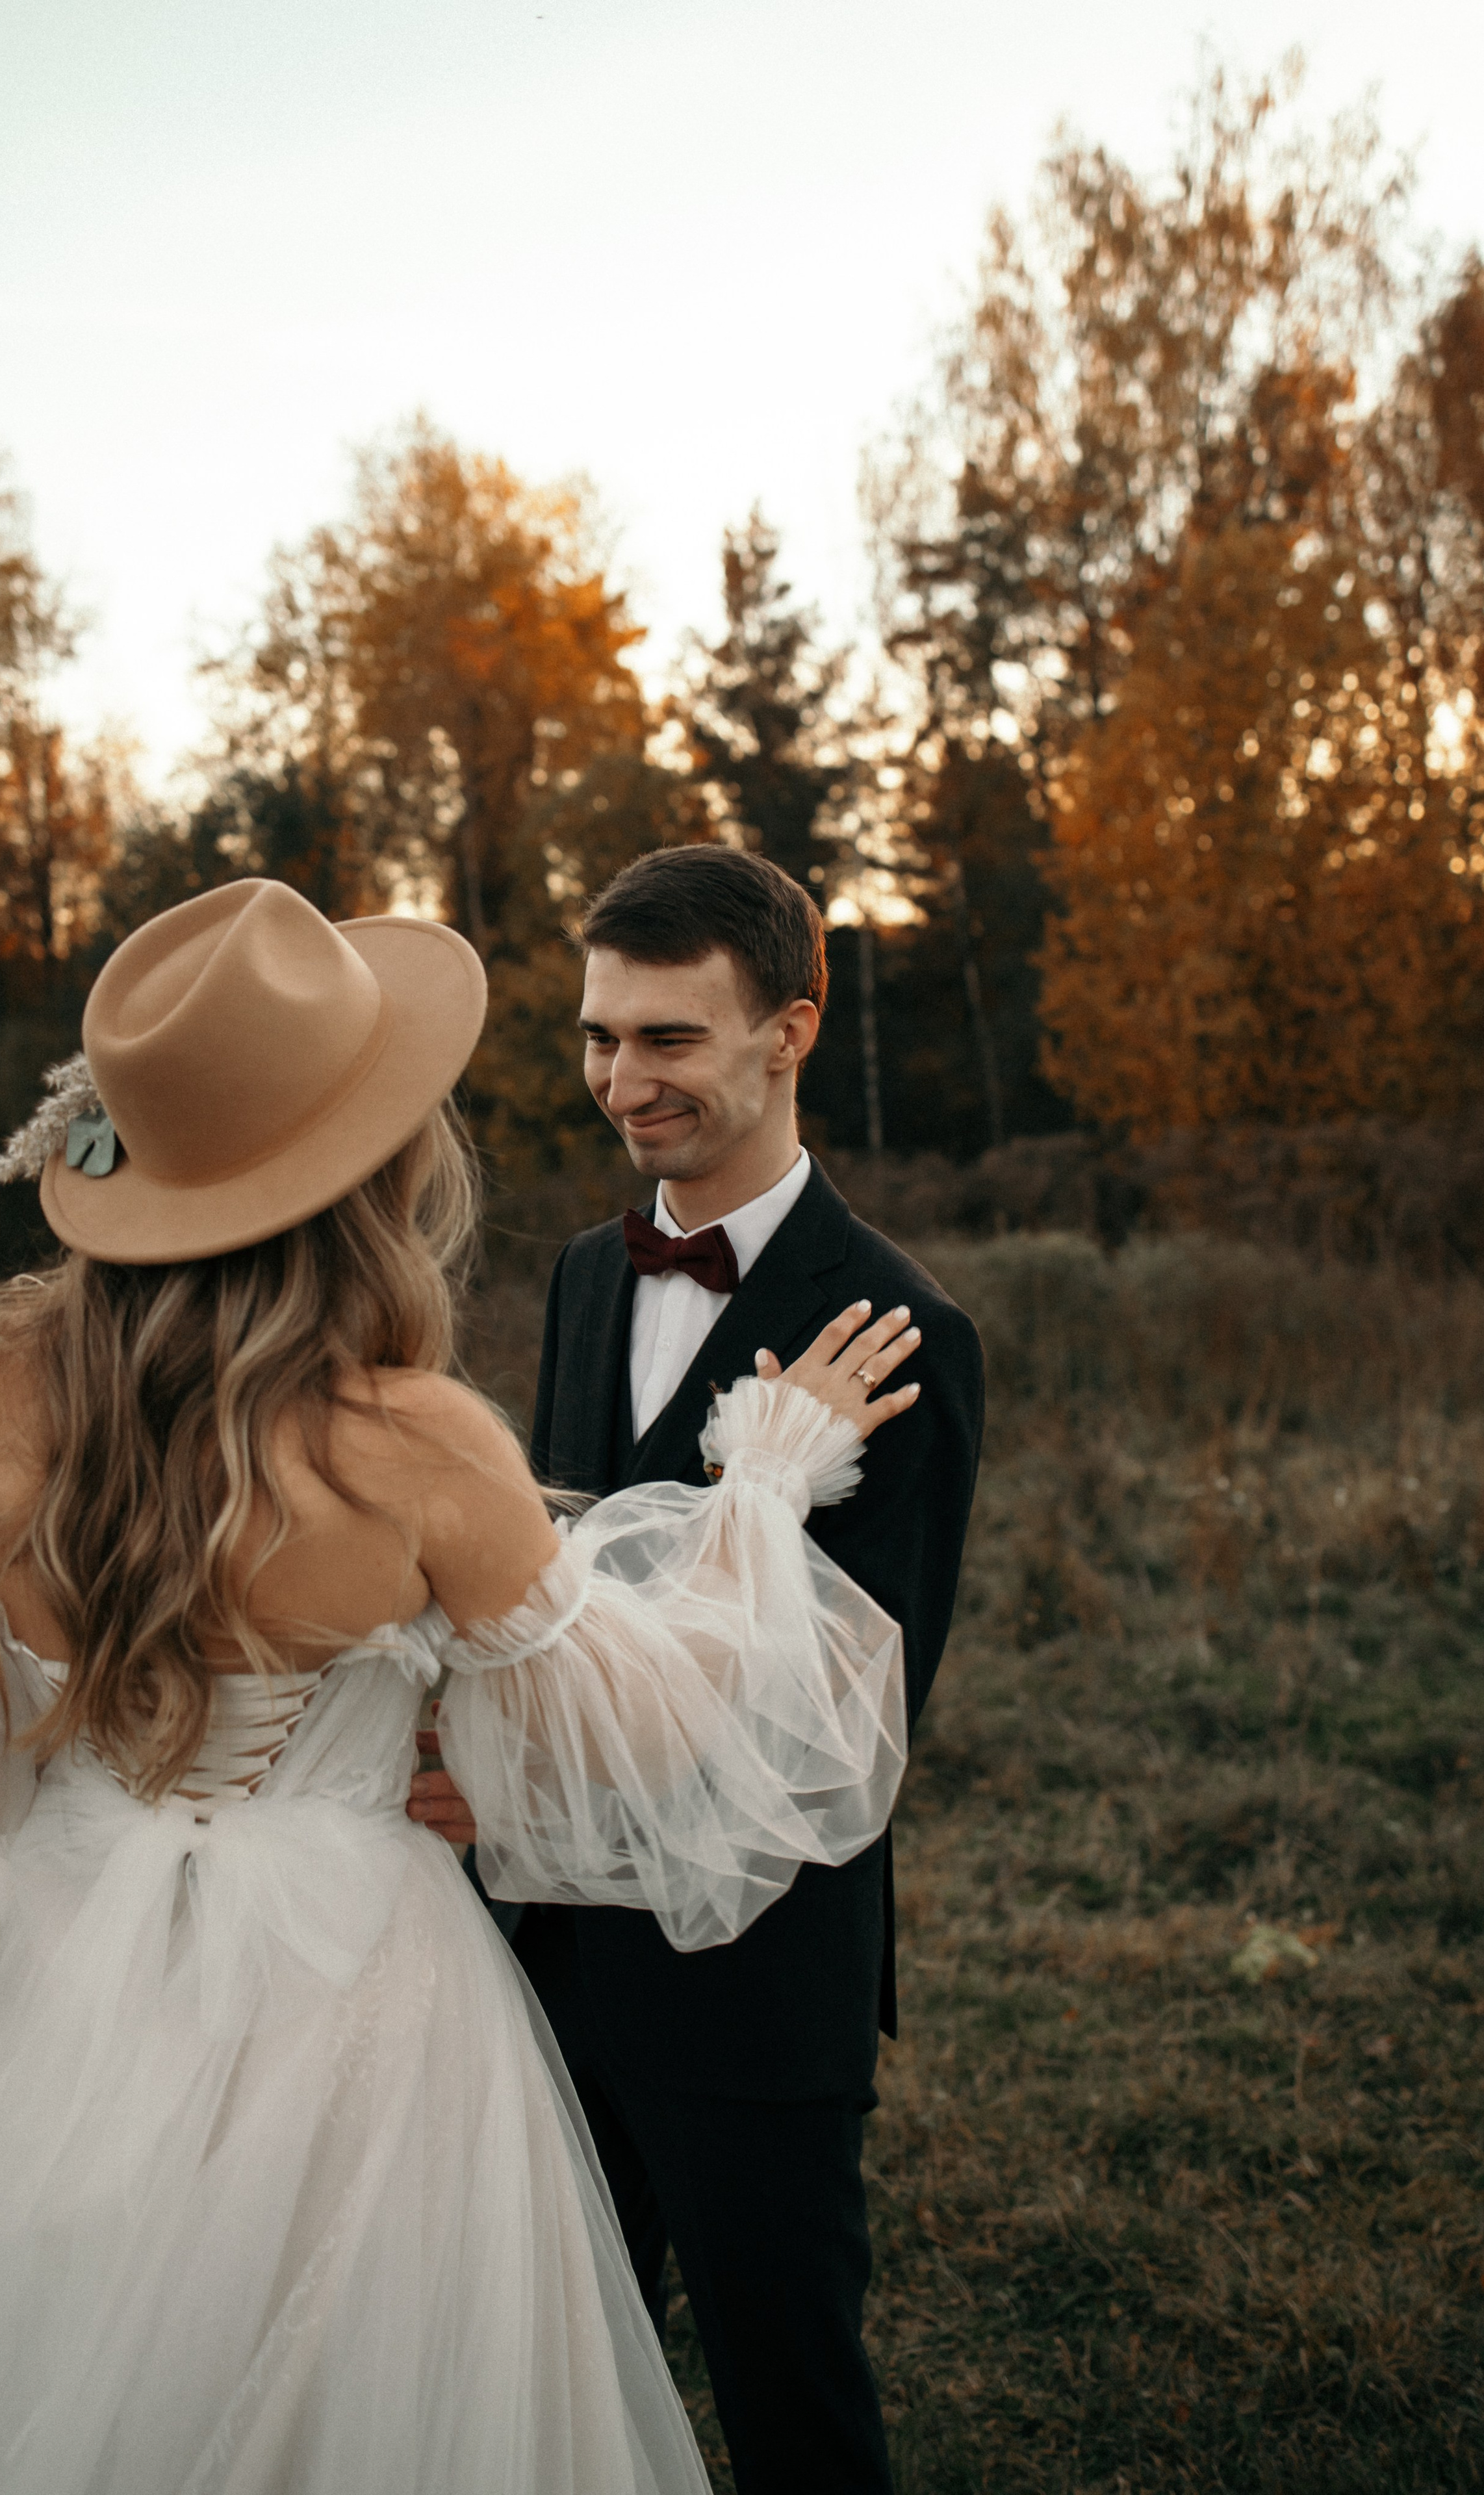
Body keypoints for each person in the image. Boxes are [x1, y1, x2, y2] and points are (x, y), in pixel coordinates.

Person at [0, 875, 924, 2495]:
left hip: (89, 2005)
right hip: (367, 2012)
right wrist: (755, 1492)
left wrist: (114, 1773)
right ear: (374, 1169)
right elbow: (653, 1749)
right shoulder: (413, 1446)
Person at [411, 845, 984, 2495]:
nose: (616, 1079)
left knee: (787, 2390)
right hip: (552, 1952)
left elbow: (843, 1723)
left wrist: (521, 1775)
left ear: (789, 1030)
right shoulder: (592, 1272)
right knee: (553, 2373)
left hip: (753, 1978)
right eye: (597, 1038)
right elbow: (558, 1583)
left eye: (665, 1039)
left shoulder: (897, 1330)